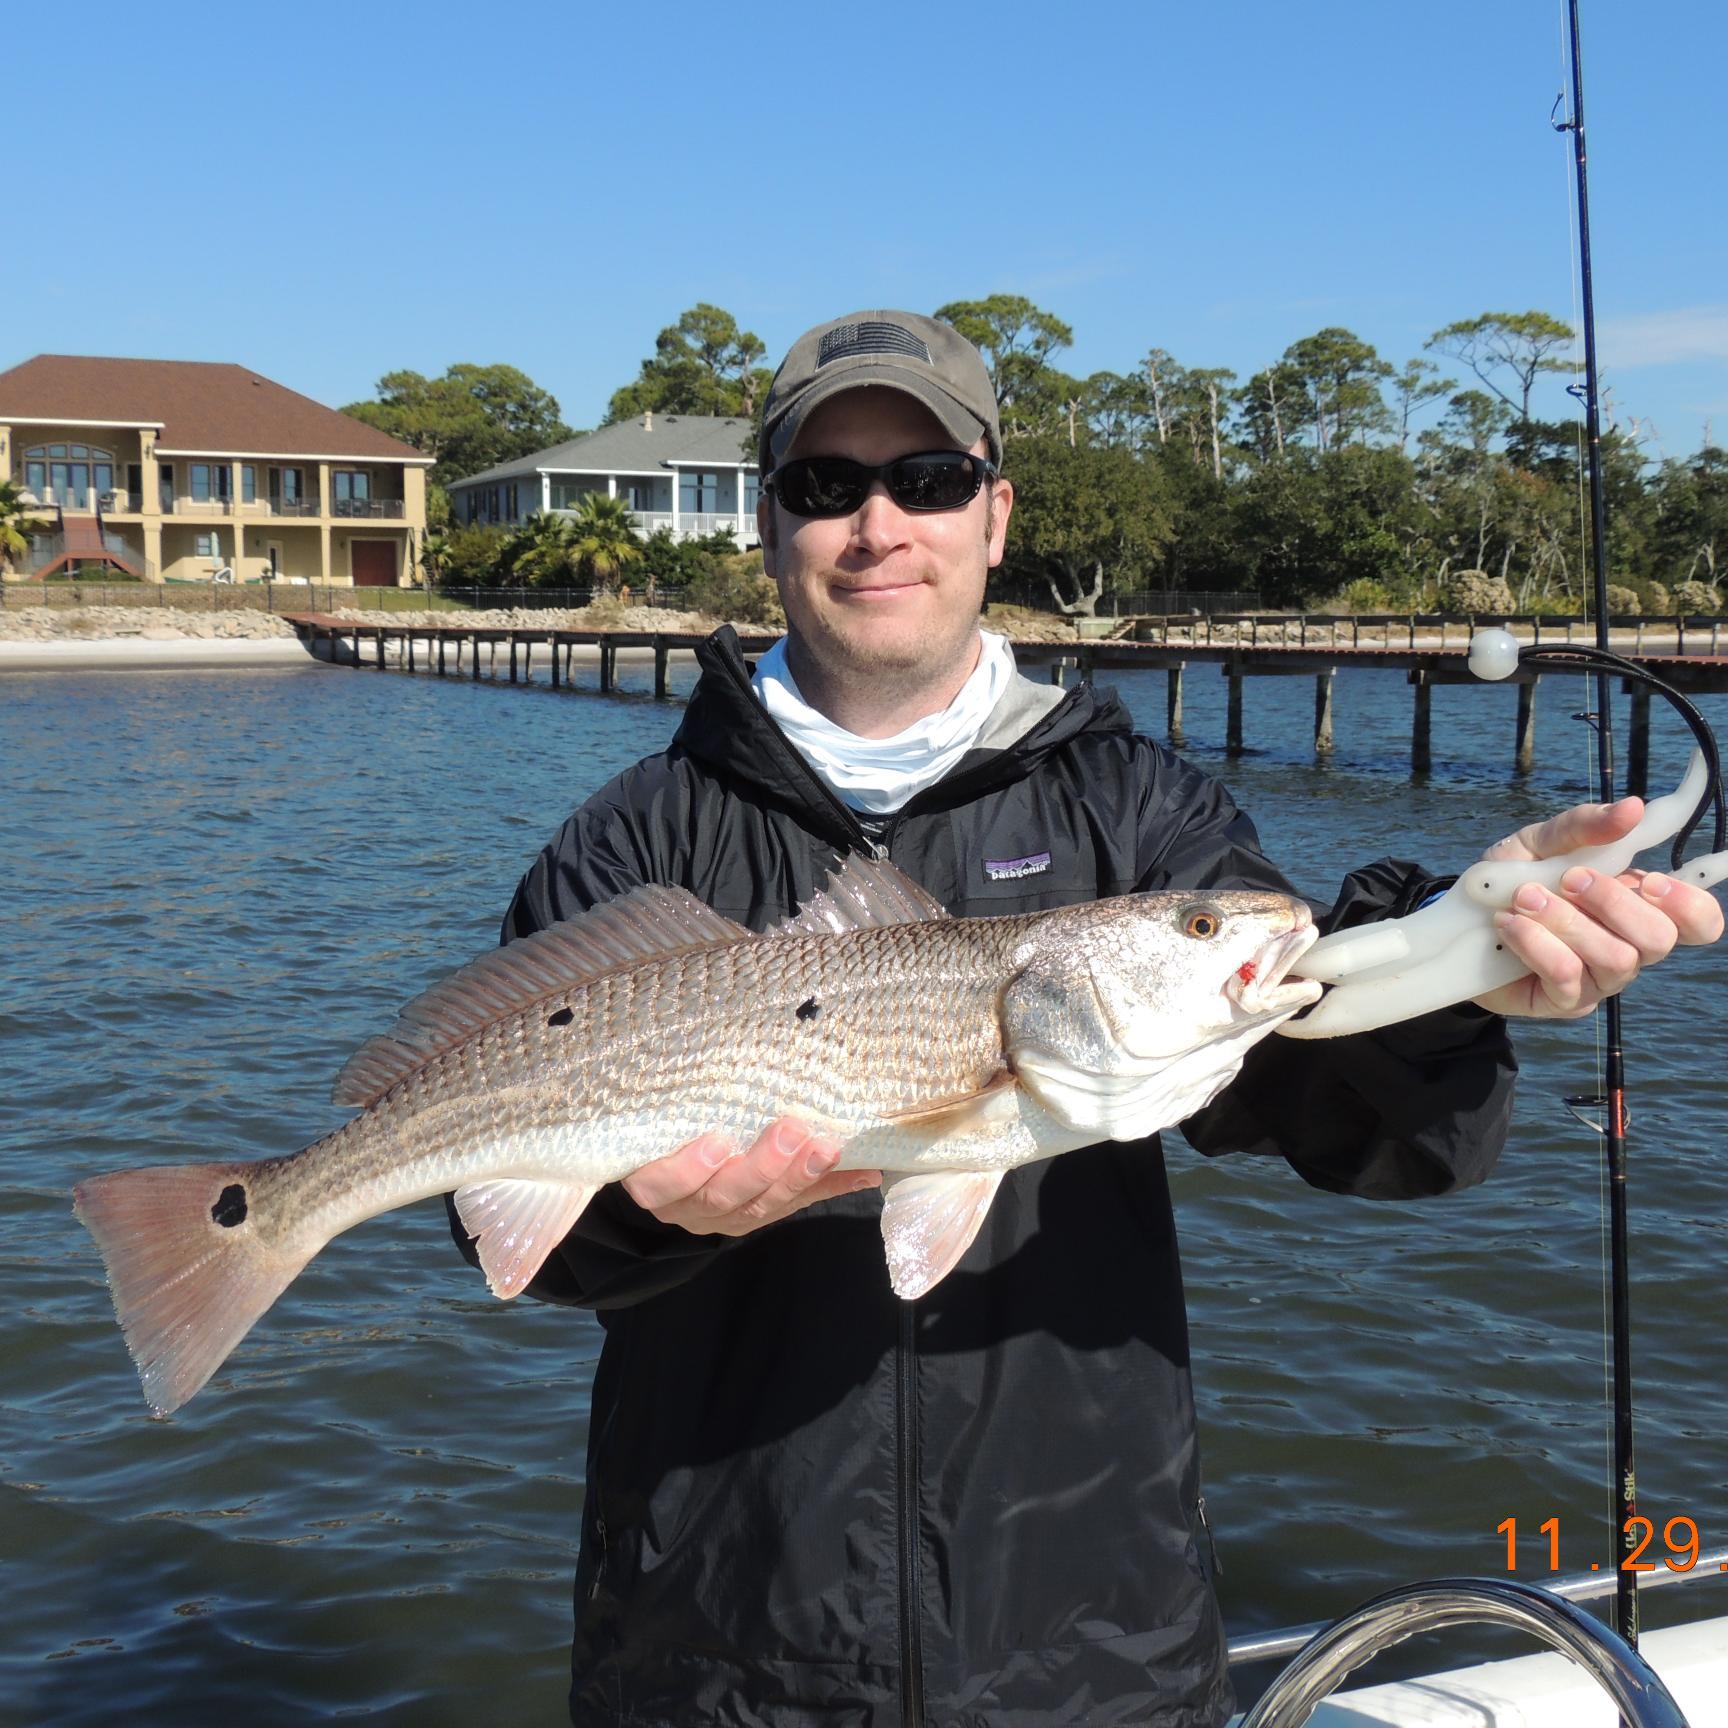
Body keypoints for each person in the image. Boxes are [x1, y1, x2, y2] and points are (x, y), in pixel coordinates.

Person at [451, 311, 1724, 1727]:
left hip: (1087, 1653)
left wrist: (1464, 956)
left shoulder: (1139, 813)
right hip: (709, 1655)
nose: (881, 524)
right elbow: (512, 1236)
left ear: (995, 516)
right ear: (770, 526)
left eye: (928, 479)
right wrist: (651, 1218)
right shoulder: (628, 844)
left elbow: (1361, 1115)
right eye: (828, 486)